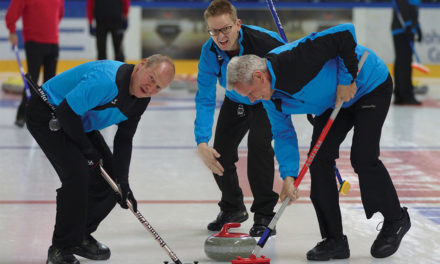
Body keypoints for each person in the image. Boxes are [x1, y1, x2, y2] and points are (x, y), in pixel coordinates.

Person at [226, 23, 410, 260]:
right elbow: (283, 134)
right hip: (333, 103)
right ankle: (334, 240)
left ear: (260, 76)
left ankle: (396, 220)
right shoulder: (270, 99)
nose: (252, 99)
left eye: (251, 92)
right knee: (319, 160)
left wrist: (346, 79)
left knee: (363, 157)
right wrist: (288, 176)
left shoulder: (294, 59)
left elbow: (344, 33)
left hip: (367, 84)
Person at [25, 55, 175, 264]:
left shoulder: (141, 99)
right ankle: (61, 248)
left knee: (110, 182)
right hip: (49, 113)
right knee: (77, 175)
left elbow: (124, 138)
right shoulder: (106, 80)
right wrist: (88, 151)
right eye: (151, 78)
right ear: (141, 65)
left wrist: (123, 182)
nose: (150, 88)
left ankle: (79, 236)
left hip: (77, 121)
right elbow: (67, 112)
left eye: (158, 87)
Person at [195, 0, 285, 236]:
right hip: (236, 100)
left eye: (225, 29)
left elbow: (292, 74)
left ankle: (265, 214)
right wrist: (201, 141)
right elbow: (204, 97)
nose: (220, 36)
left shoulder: (265, 42)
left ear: (237, 24)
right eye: (214, 31)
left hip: (266, 100)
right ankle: (232, 207)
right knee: (219, 153)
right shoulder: (209, 52)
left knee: (259, 146)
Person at [5, 0, 64, 127]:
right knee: (32, 79)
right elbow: (11, 14)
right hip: (34, 41)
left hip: (53, 41)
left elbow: (59, 14)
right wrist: (12, 30)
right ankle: (23, 114)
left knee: (51, 82)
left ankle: (48, 115)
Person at [391, 0, 423, 105]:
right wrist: (408, 25)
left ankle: (400, 95)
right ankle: (406, 96)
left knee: (403, 62)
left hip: (406, 30)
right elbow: (402, 7)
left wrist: (417, 28)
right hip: (402, 30)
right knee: (403, 63)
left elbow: (414, 12)